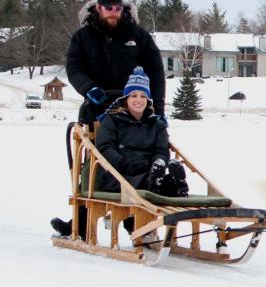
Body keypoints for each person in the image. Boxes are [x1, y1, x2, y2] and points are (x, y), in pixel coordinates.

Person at [50, 68, 187, 237]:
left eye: (143, 96)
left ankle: (167, 184)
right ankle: (163, 185)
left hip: (147, 170)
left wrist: (159, 162)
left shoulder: (156, 124)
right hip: (115, 174)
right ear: (125, 98)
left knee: (155, 173)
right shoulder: (112, 120)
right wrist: (126, 164)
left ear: (149, 100)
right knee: (146, 181)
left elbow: (161, 150)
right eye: (134, 95)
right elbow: (105, 148)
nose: (139, 100)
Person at [66, 0, 166, 126]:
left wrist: (159, 110)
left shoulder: (139, 36)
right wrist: (88, 88)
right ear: (98, 7)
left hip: (134, 109)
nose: (113, 12)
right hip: (96, 107)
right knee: (100, 144)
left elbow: (156, 72)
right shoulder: (82, 37)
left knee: (143, 144)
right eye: (109, 8)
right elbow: (73, 68)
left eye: (117, 8)